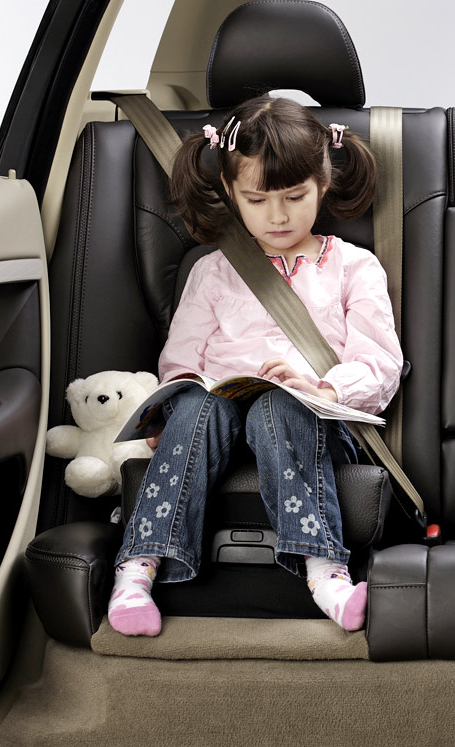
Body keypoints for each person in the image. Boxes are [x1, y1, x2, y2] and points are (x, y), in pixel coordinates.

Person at [106, 96, 402, 638]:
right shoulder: (212, 272)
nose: (278, 216)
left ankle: (326, 573)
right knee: (196, 406)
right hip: (215, 418)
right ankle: (137, 572)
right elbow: (181, 361)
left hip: (309, 422)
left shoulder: (354, 267)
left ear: (323, 182)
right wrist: (167, 410)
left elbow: (380, 363)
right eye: (257, 199)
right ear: (229, 190)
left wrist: (323, 388)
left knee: (277, 408)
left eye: (295, 196)